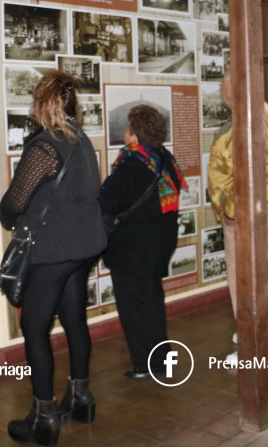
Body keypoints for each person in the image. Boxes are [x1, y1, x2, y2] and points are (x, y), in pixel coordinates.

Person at [0, 71, 106, 447]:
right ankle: (80, 398)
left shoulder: (44, 147)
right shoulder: (81, 140)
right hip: (83, 247)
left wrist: (8, 220)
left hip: (55, 249)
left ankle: (44, 419)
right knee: (75, 320)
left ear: (42, 105)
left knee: (34, 327)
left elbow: (16, 200)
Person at [99, 104, 186, 379]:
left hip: (132, 250)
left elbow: (108, 201)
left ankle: (146, 364)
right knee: (152, 303)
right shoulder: (165, 159)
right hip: (159, 245)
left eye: (127, 128)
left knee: (135, 310)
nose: (125, 132)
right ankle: (163, 358)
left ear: (134, 135)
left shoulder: (131, 166)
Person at [207, 68, 268, 367]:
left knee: (248, 281)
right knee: (244, 281)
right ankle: (251, 339)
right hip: (239, 214)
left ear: (236, 83)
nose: (219, 85)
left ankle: (255, 346)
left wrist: (229, 207)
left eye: (225, 79)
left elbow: (250, 169)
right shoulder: (248, 112)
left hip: (245, 216)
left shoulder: (255, 114)